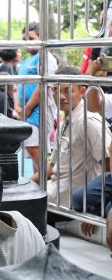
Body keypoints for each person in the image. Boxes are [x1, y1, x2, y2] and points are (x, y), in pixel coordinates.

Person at [35, 67, 112, 208]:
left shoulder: (88, 121)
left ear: (82, 91)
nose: (61, 96)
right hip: (55, 190)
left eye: (68, 91)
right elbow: (51, 166)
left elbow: (108, 165)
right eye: (56, 90)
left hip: (72, 199)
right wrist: (26, 182)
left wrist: (95, 206)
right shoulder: (65, 120)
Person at [18, 22, 58, 173]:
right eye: (24, 39)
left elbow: (43, 85)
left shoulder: (45, 56)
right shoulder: (26, 60)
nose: (26, 42)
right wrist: (18, 106)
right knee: (32, 148)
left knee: (35, 148)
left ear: (42, 38)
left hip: (38, 110)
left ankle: (45, 180)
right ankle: (38, 181)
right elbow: (18, 85)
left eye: (31, 38)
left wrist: (27, 108)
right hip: (27, 111)